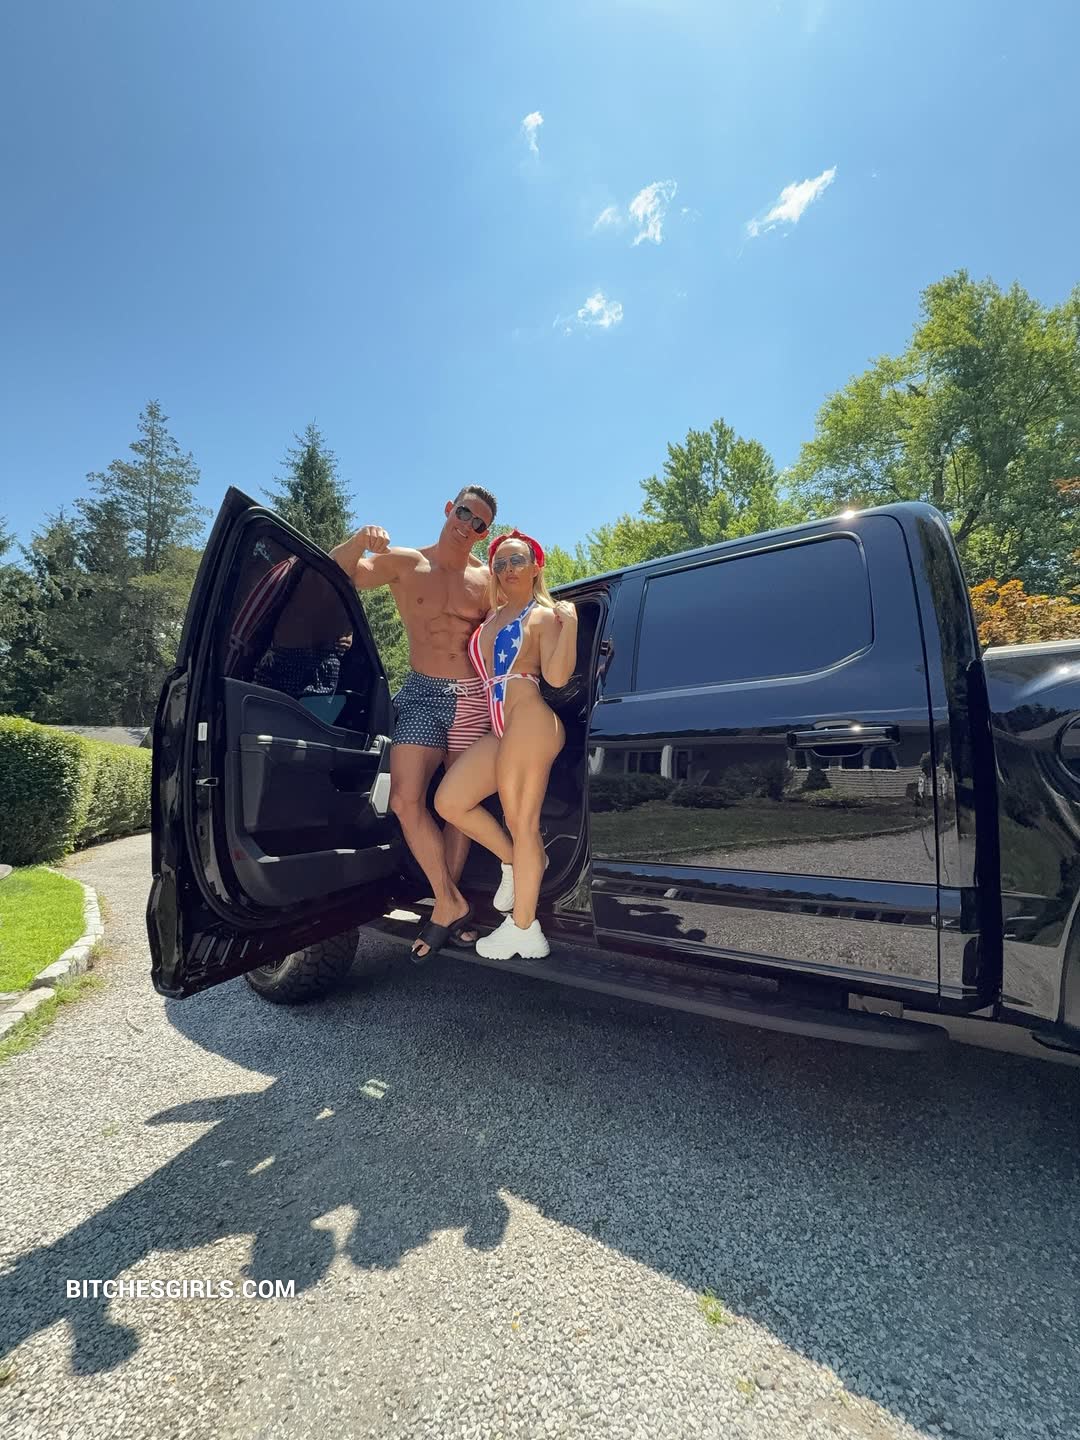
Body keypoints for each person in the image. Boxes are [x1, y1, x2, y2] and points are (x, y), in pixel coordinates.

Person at [329, 488, 498, 960]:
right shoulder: (407, 563)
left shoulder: (486, 581)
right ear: (448, 509)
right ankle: (450, 901)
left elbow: (516, 621)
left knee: (458, 806)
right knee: (406, 800)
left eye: (480, 523)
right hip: (423, 694)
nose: (468, 524)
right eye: (464, 512)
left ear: (484, 533)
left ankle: (446, 908)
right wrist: (358, 539)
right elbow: (342, 572)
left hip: (471, 697)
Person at [433, 530, 578, 960]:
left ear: (536, 567)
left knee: (522, 821)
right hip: (500, 731)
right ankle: (515, 860)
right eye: (500, 562)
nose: (508, 568)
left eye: (517, 560)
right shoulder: (490, 618)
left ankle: (524, 928)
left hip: (530, 720)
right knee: (450, 801)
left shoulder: (543, 616)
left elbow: (557, 677)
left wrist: (569, 624)